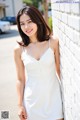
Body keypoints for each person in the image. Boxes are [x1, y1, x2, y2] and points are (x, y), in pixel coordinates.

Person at [14, 5, 64, 120]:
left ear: (38, 20)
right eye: (22, 24)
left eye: (29, 21)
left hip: (53, 99)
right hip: (32, 102)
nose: (26, 27)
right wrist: (20, 105)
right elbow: (20, 80)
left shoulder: (53, 42)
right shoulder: (18, 49)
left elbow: (59, 71)